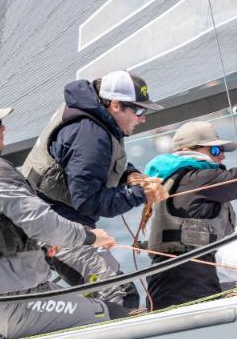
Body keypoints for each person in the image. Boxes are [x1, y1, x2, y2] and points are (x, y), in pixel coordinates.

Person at [0, 94, 129, 339]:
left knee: (79, 307)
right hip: (16, 301)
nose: (3, 128)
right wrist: (90, 237)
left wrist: (36, 245)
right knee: (112, 313)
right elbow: (43, 223)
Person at [22, 70, 167, 309]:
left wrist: (131, 176)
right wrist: (141, 194)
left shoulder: (97, 120)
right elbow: (89, 201)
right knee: (119, 295)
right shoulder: (90, 134)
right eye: (139, 110)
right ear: (116, 105)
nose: (143, 119)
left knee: (119, 295)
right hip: (54, 230)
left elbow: (98, 165)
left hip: (62, 224)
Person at [144, 121, 237, 309]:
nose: (223, 156)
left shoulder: (170, 179)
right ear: (188, 150)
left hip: (165, 289)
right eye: (216, 151)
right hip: (187, 290)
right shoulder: (199, 179)